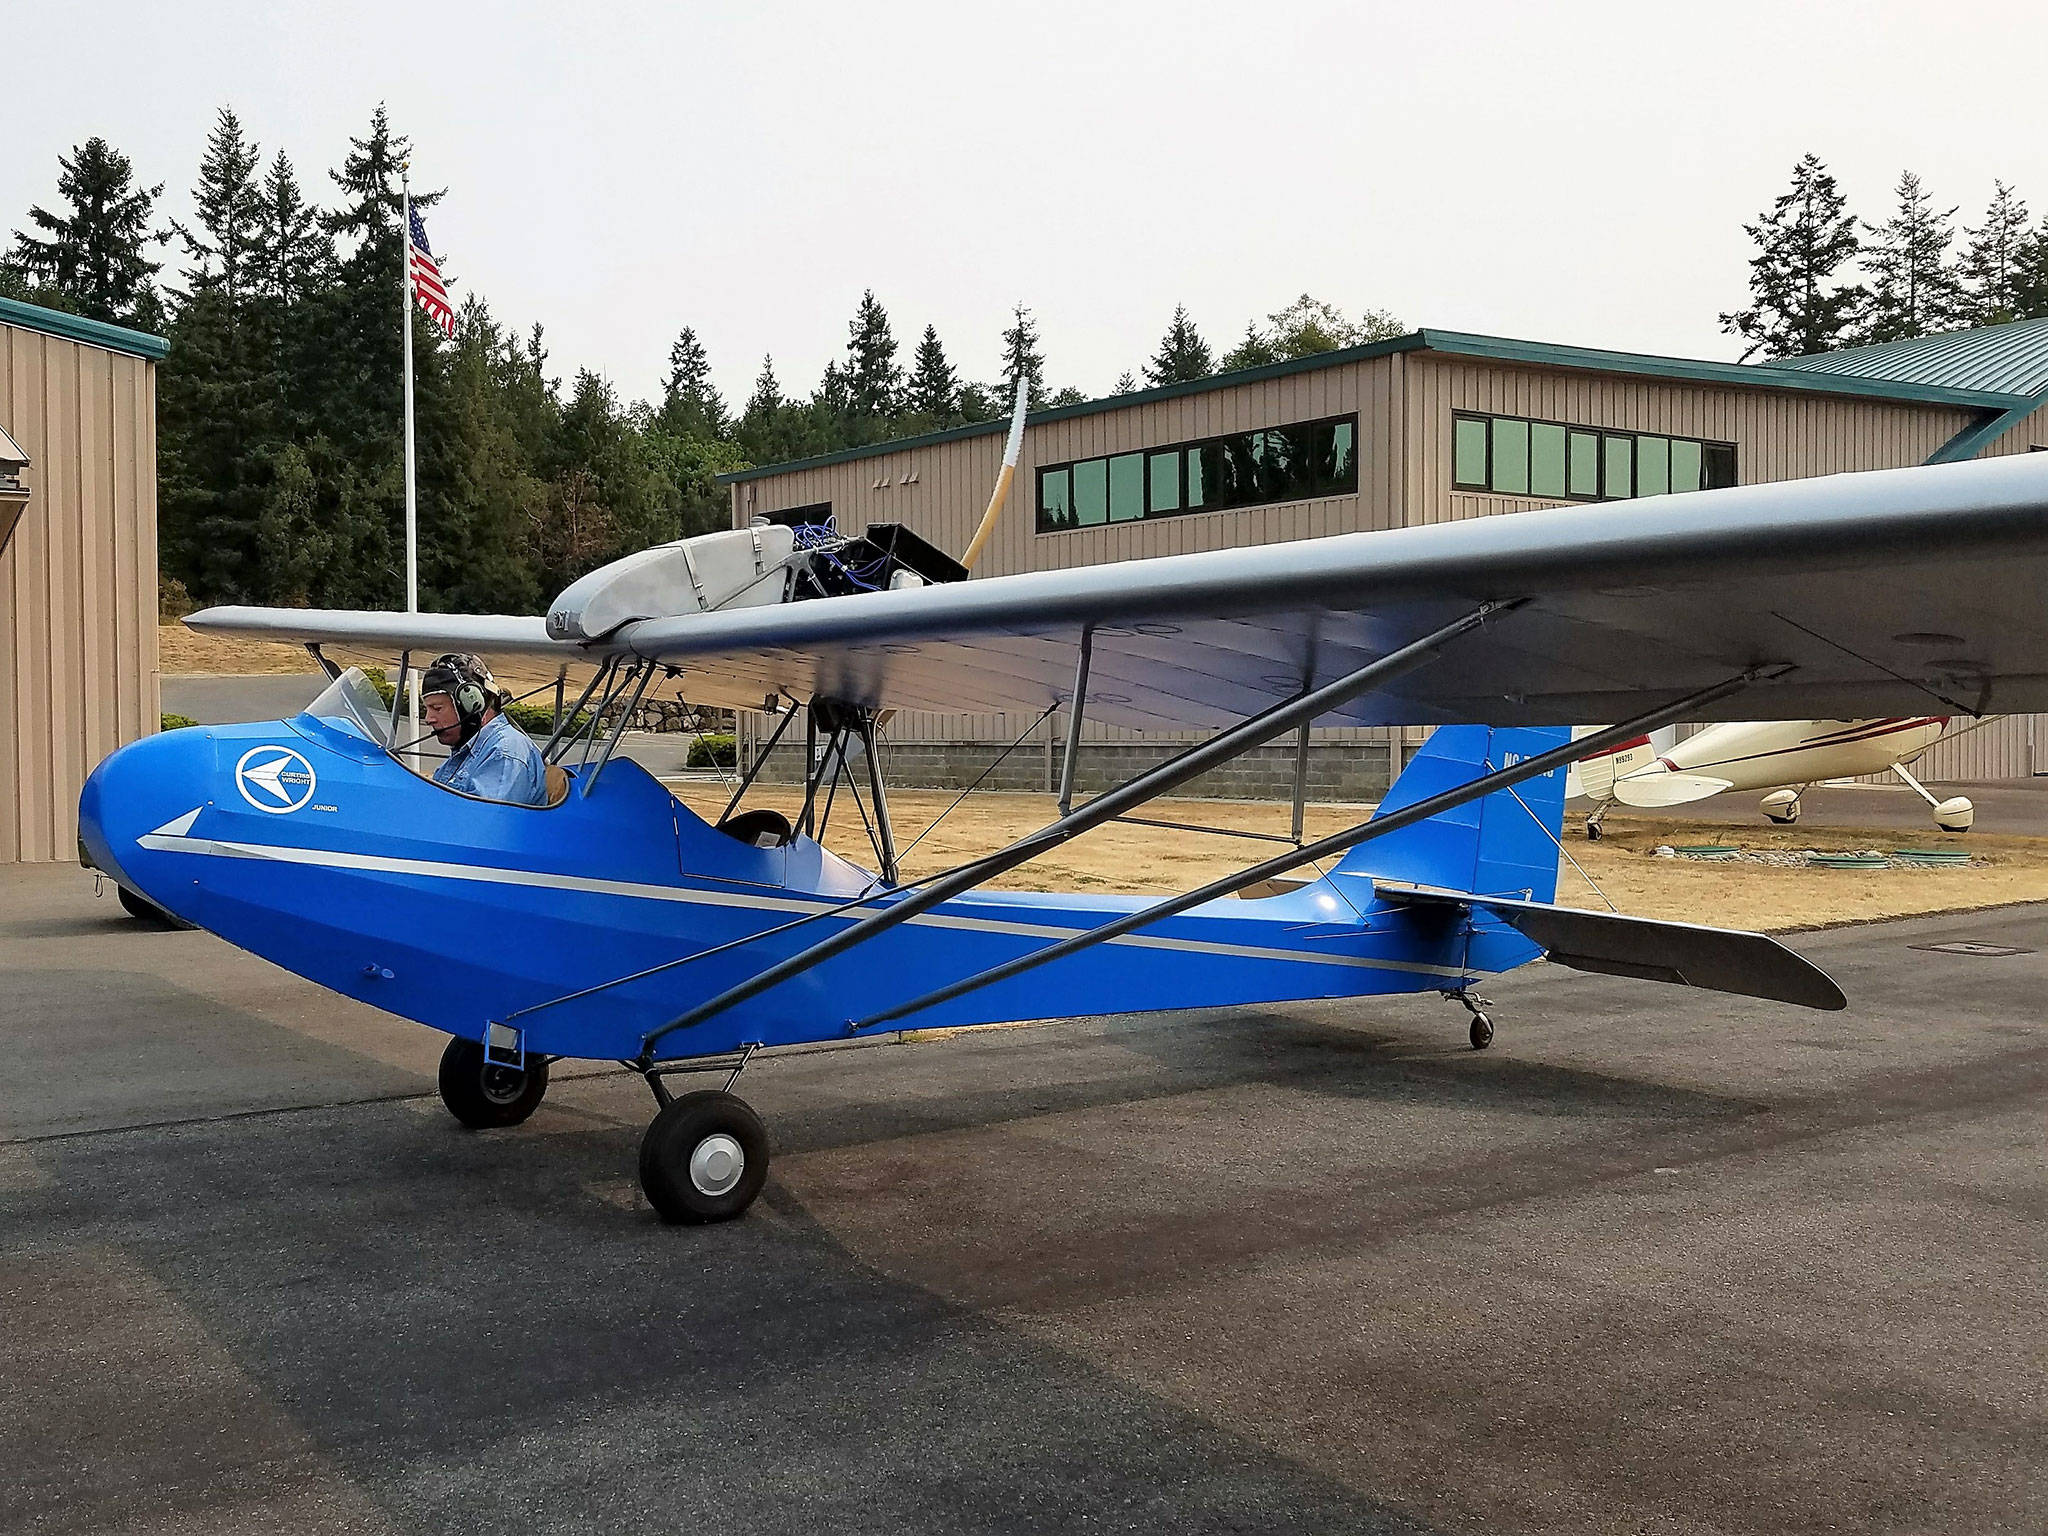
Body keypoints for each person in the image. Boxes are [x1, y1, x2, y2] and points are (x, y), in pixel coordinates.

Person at [419, 653, 550, 807]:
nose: (428, 719)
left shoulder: (505, 752)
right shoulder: (466, 753)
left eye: (437, 708)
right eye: (427, 709)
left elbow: (484, 824)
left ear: (472, 705)